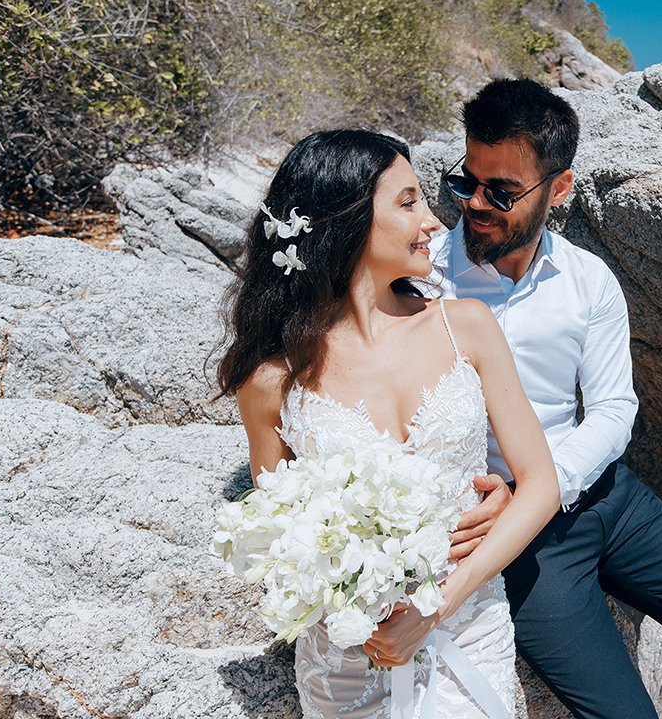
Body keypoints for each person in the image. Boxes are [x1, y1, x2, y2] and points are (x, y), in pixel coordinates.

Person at [429, 79, 662, 719]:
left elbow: (612, 409)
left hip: (605, 497)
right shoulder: (427, 280)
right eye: (467, 182)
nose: (477, 205)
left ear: (560, 189)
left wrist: (545, 483)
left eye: (502, 192)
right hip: (514, 536)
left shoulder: (588, 279)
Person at [216, 129, 559, 718]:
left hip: (468, 628)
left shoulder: (466, 326)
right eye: (408, 202)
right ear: (345, 220)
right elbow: (278, 538)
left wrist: (438, 604)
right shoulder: (273, 380)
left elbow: (541, 485)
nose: (433, 221)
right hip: (350, 659)